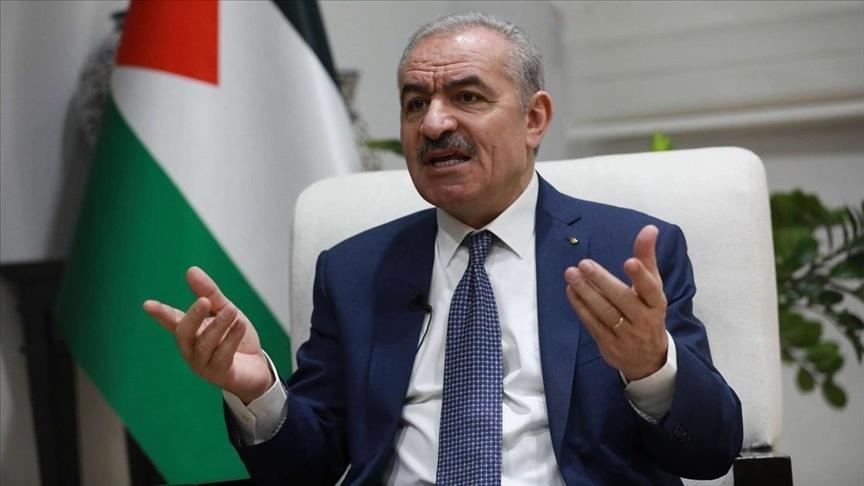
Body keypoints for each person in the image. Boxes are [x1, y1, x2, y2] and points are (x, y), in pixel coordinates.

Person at [144, 12, 742, 485]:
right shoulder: (354, 271)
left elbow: (711, 452)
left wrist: (650, 367)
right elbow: (308, 467)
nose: (433, 125)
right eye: (415, 103)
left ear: (534, 119)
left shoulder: (625, 254)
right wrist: (257, 390)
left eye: (468, 97)